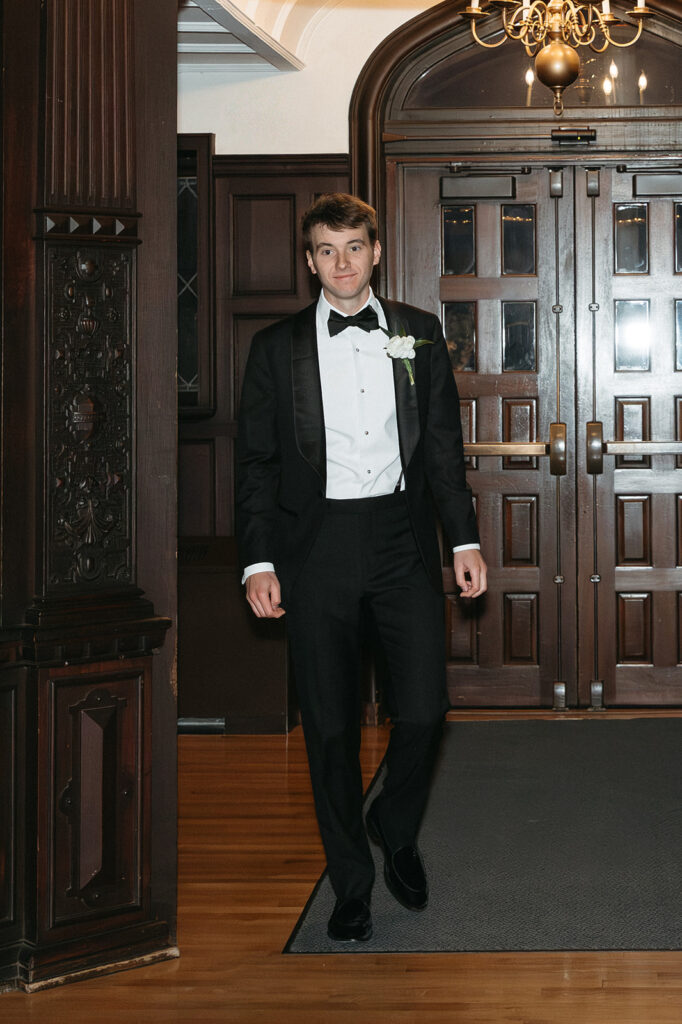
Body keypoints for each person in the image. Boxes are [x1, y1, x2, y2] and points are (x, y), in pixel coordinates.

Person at [236, 193, 486, 942]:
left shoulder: (419, 333)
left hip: (402, 542)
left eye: (353, 247)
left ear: (376, 251)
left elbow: (443, 451)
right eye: (326, 250)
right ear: (309, 260)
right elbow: (256, 464)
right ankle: (350, 884)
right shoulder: (274, 349)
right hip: (316, 551)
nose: (341, 263)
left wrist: (464, 541)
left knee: (424, 709)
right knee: (332, 730)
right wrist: (257, 560)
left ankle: (395, 824)